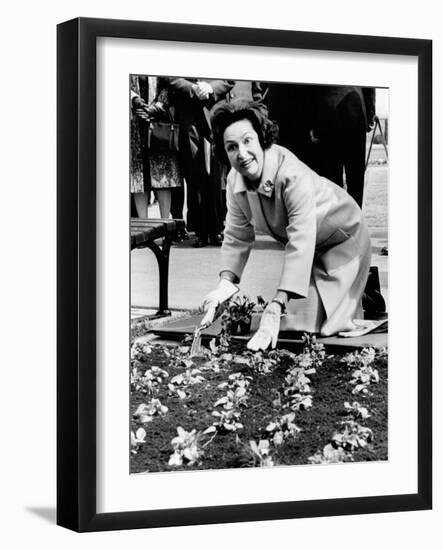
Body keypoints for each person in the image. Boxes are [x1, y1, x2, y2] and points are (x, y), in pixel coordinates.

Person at [201, 99, 372, 351]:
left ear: (261, 138)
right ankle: (357, 293)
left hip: (344, 240)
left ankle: (364, 292)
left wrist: (278, 303)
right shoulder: (234, 179)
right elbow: (237, 235)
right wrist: (224, 285)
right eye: (232, 147)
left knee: (317, 328)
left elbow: (301, 241)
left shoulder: (292, 176)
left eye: (248, 141)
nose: (242, 154)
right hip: (313, 249)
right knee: (293, 325)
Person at [166, 77, 235, 247]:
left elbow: (230, 78)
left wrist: (211, 88)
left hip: (214, 110)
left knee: (217, 175)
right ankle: (201, 231)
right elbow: (170, 76)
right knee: (194, 175)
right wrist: (192, 88)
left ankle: (218, 228)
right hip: (188, 114)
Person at [311, 85, 376, 207]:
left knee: (332, 181)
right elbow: (369, 87)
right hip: (355, 112)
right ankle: (355, 220)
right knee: (355, 179)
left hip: (327, 114)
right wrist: (370, 113)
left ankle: (335, 220)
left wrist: (311, 122)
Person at [130, 76, 183, 219]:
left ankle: (166, 224)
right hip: (133, 126)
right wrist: (133, 100)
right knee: (139, 178)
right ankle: (144, 228)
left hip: (158, 125)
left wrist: (156, 107)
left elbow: (167, 85)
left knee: (162, 177)